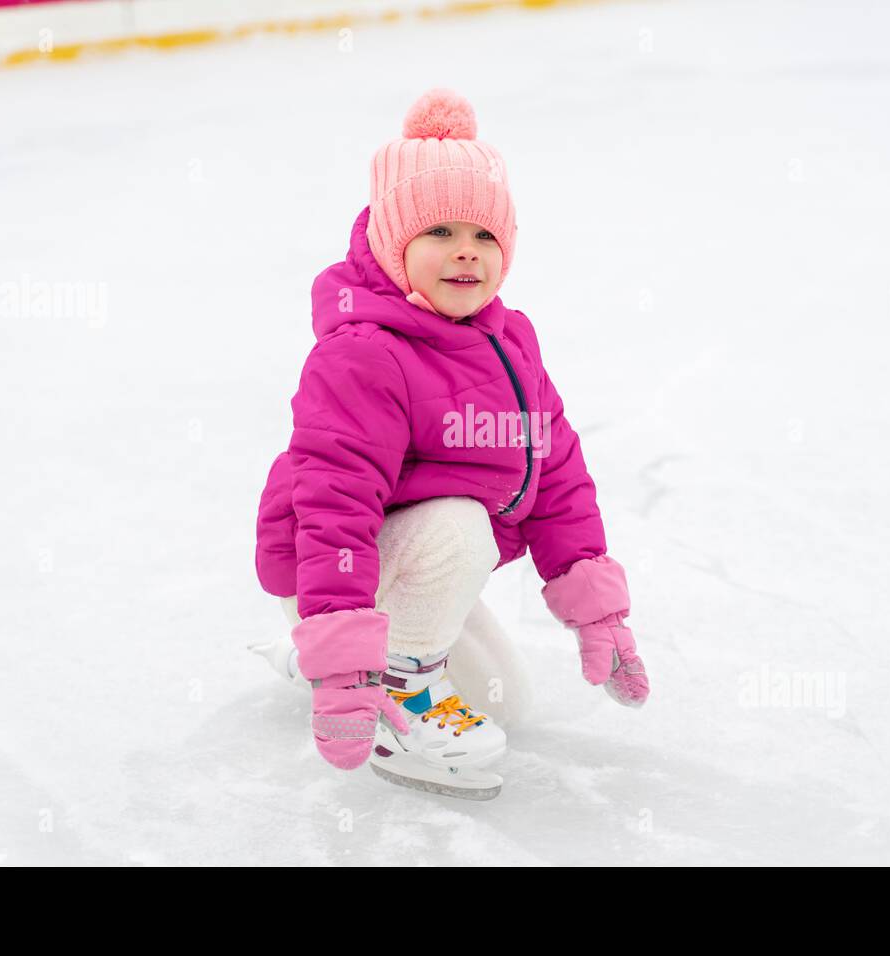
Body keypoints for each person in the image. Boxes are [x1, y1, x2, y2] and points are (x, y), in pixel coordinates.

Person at [253, 88, 649, 800]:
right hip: (340, 573)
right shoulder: (362, 356)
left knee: (507, 705)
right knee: (462, 523)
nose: (466, 252)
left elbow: (557, 474)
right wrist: (346, 659)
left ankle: (332, 659)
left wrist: (599, 613)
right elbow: (335, 503)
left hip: (418, 567)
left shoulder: (508, 342)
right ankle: (387, 685)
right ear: (391, 241)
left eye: (485, 235)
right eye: (439, 232)